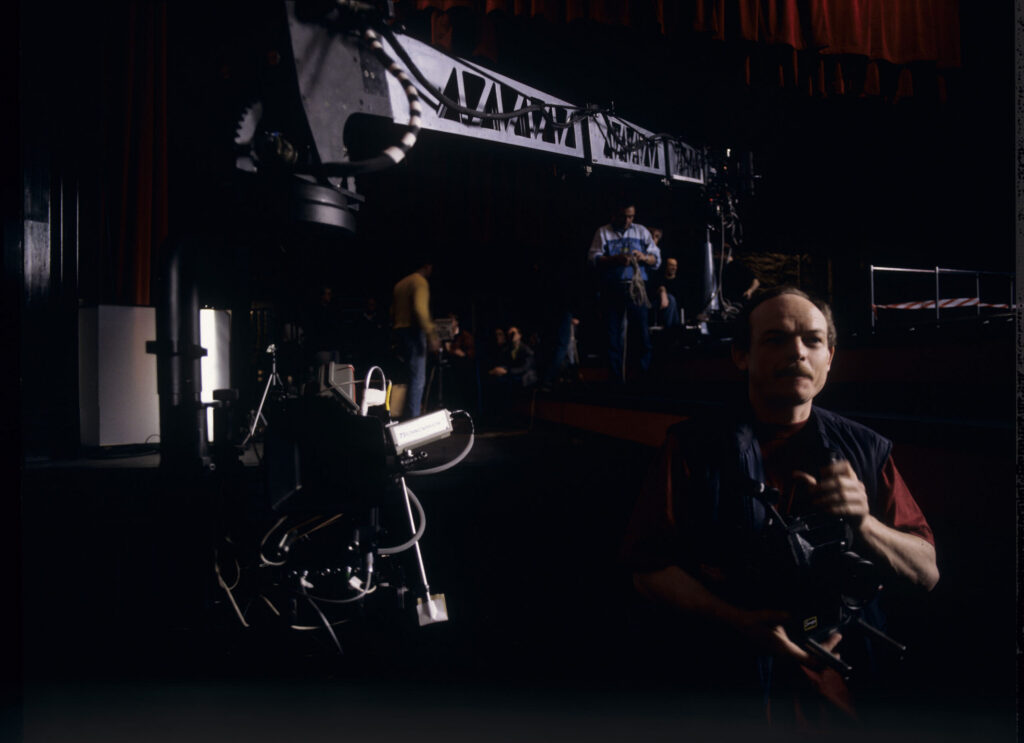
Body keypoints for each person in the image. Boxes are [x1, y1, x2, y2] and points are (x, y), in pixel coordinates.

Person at [622, 287, 938, 727]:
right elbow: (647, 571)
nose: (797, 352)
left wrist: (865, 524)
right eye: (775, 339)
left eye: (812, 340)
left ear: (830, 356)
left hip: (840, 698)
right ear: (741, 355)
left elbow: (927, 571)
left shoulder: (866, 450)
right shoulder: (691, 447)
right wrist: (737, 621)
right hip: (726, 693)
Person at [588, 200, 661, 383]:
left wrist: (644, 257)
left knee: (641, 334)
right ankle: (616, 379)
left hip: (636, 288)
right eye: (624, 216)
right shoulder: (603, 232)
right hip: (612, 288)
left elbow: (656, 258)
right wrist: (614, 260)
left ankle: (641, 377)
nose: (628, 220)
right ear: (614, 215)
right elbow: (593, 258)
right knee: (612, 335)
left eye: (631, 216)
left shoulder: (642, 231)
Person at [391, 260, 440, 418]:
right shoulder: (420, 282)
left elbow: (392, 312)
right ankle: (412, 421)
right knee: (417, 380)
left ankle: (397, 416)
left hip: (399, 333)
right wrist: (431, 335)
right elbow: (420, 309)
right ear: (428, 266)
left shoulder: (399, 284)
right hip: (413, 333)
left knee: (404, 379)